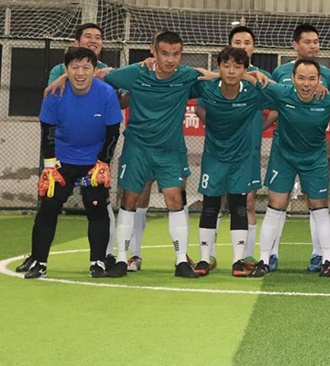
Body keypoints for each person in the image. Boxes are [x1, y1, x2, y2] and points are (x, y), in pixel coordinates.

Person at [97, 31, 214, 278]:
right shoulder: (136, 72)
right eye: (165, 53)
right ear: (154, 51)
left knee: (176, 201)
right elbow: (102, 77)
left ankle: (181, 261)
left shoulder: (186, 75)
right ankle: (121, 259)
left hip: (170, 151)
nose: (171, 59)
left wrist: (249, 75)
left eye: (176, 54)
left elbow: (221, 78)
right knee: (129, 202)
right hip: (137, 149)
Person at [255, 59, 330, 278]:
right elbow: (248, 77)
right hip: (283, 158)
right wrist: (253, 75)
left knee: (319, 207)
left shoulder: (328, 98)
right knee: (275, 206)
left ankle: (327, 260)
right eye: (301, 78)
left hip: (314, 160)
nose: (306, 83)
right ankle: (263, 260)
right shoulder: (281, 93)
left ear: (319, 80)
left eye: (311, 78)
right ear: (293, 79)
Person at [17, 47, 122, 279]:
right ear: (66, 70)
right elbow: (47, 132)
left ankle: (98, 262)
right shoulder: (54, 94)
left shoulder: (107, 94)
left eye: (86, 67)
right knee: (48, 207)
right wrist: (49, 166)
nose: (80, 73)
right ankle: (39, 262)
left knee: (97, 207)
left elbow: (113, 132)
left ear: (94, 70)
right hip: (61, 162)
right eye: (74, 67)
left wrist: (103, 163)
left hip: (93, 163)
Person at [193, 26, 275, 272]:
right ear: (218, 67)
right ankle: (206, 258)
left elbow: (281, 97)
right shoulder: (207, 87)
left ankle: (240, 259)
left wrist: (251, 78)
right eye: (226, 66)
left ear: (245, 67)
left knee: (241, 204)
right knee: (210, 204)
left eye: (237, 67)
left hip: (243, 156)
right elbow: (184, 86)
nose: (231, 70)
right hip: (214, 156)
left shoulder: (256, 87)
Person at [269, 24, 330, 272]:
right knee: (279, 201)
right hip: (284, 148)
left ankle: (319, 255)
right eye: (307, 42)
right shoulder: (280, 72)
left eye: (316, 41)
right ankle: (271, 255)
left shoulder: (328, 75)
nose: (313, 46)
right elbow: (275, 106)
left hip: (316, 147)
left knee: (317, 202)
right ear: (295, 45)